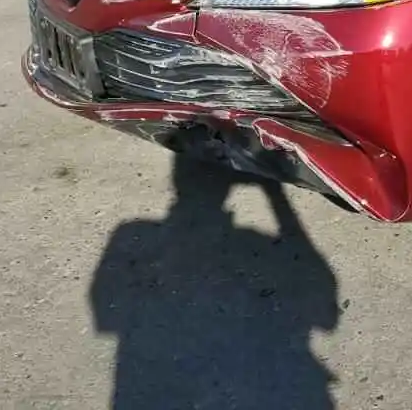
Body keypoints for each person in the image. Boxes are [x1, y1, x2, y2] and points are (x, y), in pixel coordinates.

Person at [90, 154, 341, 409]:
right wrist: (274, 194)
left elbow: (107, 314)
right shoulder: (135, 234)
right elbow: (325, 311)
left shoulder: (133, 234)